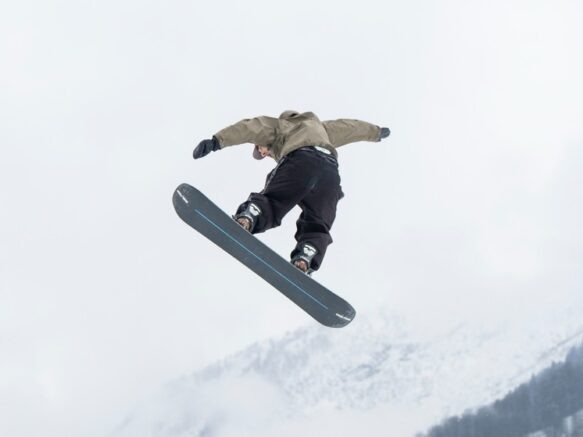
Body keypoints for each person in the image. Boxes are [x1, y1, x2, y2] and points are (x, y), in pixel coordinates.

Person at [193, 110, 390, 275]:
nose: (263, 153)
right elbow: (351, 128)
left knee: (274, 198)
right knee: (318, 222)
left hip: (301, 160)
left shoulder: (279, 126)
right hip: (330, 173)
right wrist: (376, 132)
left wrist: (216, 141)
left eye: (261, 149)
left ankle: (250, 216)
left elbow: (250, 128)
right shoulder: (324, 129)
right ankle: (306, 255)